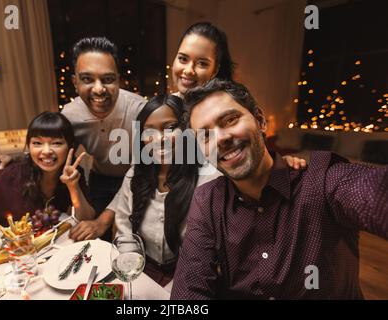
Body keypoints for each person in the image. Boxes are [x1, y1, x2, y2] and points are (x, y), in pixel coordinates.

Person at [170, 79, 388, 299]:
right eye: (205, 135)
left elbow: (377, 194)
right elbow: (189, 288)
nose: (222, 138)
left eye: (230, 120)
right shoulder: (207, 200)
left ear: (260, 120)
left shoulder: (324, 182)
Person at [110, 94, 306, 287]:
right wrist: (134, 278)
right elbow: (124, 232)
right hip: (142, 272)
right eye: (148, 131)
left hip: (190, 276)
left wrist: (283, 163)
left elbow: (255, 174)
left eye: (170, 128)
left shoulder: (211, 177)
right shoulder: (136, 174)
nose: (159, 139)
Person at [0, 37, 146, 241]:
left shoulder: (139, 111)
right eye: (87, 79)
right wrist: (14, 159)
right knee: (94, 239)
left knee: (132, 238)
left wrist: (103, 222)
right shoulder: (70, 113)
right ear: (75, 82)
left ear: (119, 80)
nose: (98, 89)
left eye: (107, 79)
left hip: (139, 178)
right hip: (100, 179)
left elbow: (141, 170)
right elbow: (52, 146)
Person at [0, 112, 94, 250]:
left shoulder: (73, 172)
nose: (47, 150)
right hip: (12, 250)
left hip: (50, 248)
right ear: (28, 146)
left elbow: (86, 218)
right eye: (37, 143)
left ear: (70, 147)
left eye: (56, 143)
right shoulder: (6, 175)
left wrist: (73, 186)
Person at [171, 22, 234, 97]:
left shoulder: (225, 107)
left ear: (215, 70)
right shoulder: (162, 106)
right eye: (183, 59)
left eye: (202, 64)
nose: (188, 71)